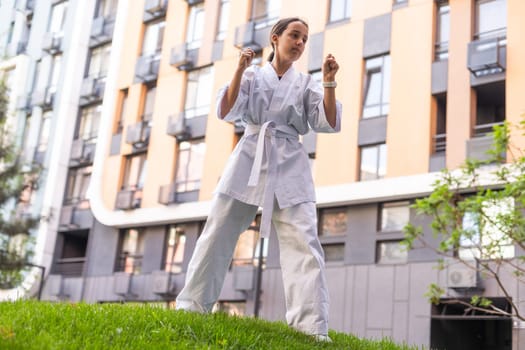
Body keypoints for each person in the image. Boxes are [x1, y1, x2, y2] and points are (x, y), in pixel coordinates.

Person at [175, 17, 342, 342]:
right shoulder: (252, 76)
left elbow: (327, 122)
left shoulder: (307, 83)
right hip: (250, 155)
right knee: (218, 231)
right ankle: (192, 306)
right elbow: (227, 110)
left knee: (305, 244)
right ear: (275, 38)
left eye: (305, 39)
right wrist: (239, 69)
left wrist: (329, 83)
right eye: (295, 35)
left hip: (291, 161)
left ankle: (311, 328)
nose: (300, 43)